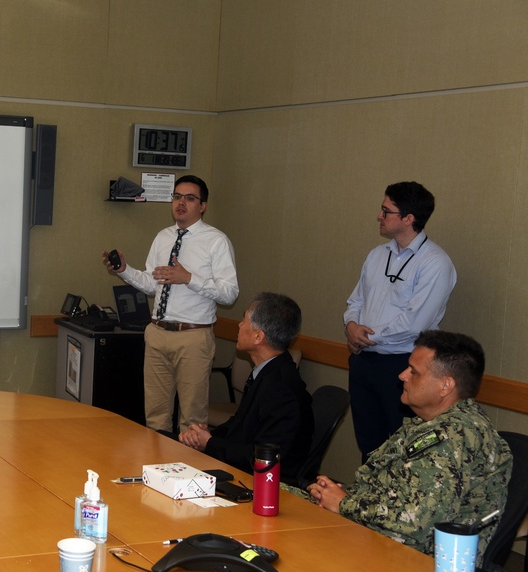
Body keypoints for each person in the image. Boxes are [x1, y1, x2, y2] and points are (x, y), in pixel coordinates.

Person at [307, 331, 511, 565]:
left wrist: (345, 503)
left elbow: (415, 523)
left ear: (446, 386)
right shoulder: (428, 423)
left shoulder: (453, 436)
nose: (402, 375)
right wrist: (336, 495)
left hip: (415, 565)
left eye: (414, 372)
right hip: (378, 540)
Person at [103, 174, 239, 435]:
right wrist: (123, 270)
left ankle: (187, 474)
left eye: (189, 198)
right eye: (177, 197)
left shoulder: (216, 241)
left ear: (203, 206)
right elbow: (152, 284)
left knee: (192, 422)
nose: (181, 203)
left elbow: (230, 293)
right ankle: (156, 471)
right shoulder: (163, 237)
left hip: (193, 337)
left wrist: (189, 279)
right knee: (155, 418)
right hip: (156, 333)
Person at [344, 181, 456, 462]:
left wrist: (367, 337)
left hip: (402, 366)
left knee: (399, 448)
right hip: (363, 361)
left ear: (409, 219)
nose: (379, 216)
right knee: (369, 448)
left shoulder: (435, 263)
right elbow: (356, 301)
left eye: (386, 211)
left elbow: (415, 323)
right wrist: (351, 327)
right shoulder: (377, 255)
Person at [178, 293, 313, 477]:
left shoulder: (281, 390)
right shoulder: (269, 370)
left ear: (258, 337)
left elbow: (260, 458)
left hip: (266, 486)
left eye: (244, 320)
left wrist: (209, 443)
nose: (239, 325)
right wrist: (205, 436)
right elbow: (240, 425)